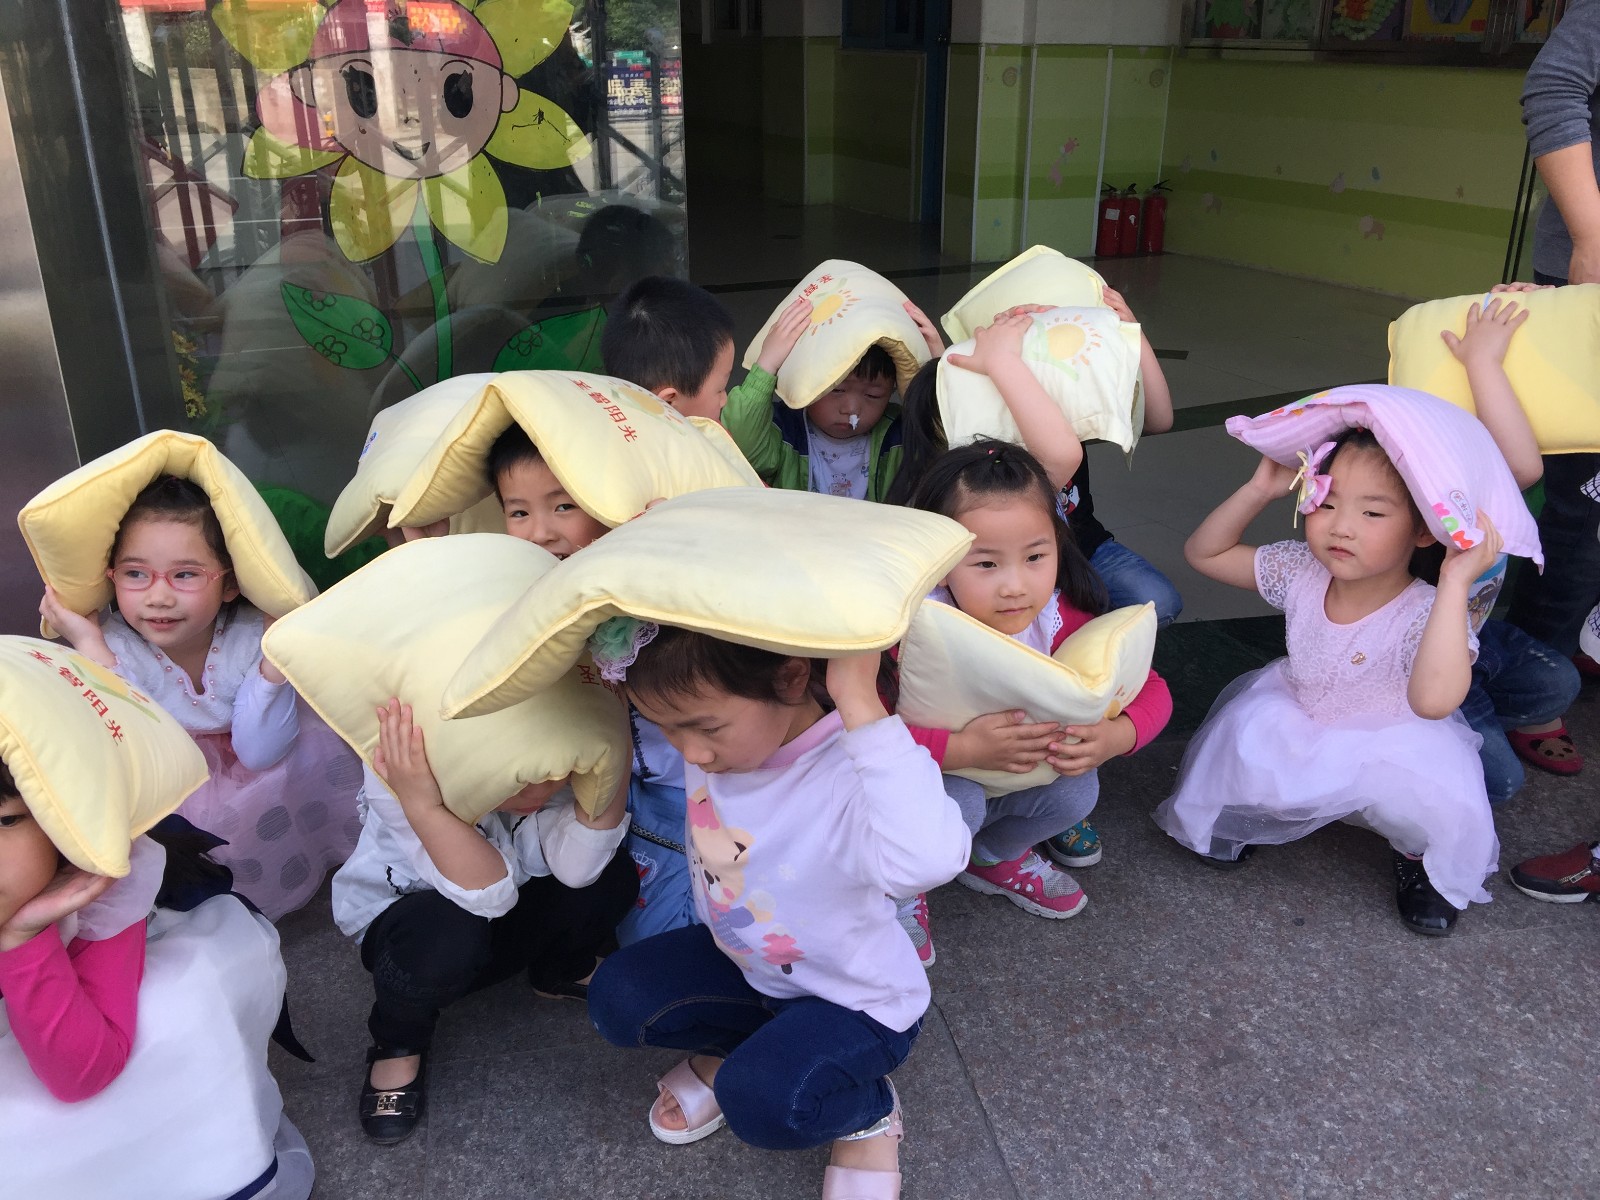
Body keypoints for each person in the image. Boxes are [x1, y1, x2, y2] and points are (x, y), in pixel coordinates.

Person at [586, 629, 971, 1200]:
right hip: (750, 966)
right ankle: (744, 1047)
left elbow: (932, 859)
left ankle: (867, 1111)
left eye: (705, 728)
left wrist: (859, 698)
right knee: (619, 998)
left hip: (857, 1002)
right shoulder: (723, 731)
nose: (690, 753)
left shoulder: (853, 768)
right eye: (667, 727)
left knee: (766, 1104)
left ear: (792, 676)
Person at [1154, 429, 1502, 937]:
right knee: (1246, 742)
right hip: (1298, 712)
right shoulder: (1302, 569)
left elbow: (1433, 702)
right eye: (1327, 502)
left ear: (1424, 530)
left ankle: (1417, 856)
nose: (1341, 527)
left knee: (1411, 806)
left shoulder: (1427, 610)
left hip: (1389, 742)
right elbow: (1205, 554)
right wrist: (1259, 490)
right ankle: (1256, 814)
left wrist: (1455, 582)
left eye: (1373, 513)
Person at [39, 475, 360, 920]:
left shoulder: (250, 633)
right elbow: (131, 738)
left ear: (229, 584)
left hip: (262, 738)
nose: (158, 596)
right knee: (184, 819)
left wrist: (273, 662)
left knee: (304, 756)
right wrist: (87, 642)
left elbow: (259, 751)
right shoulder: (113, 646)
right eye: (135, 574)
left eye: (186, 574)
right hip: (168, 762)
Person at [896, 441, 1170, 956]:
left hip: (1023, 776)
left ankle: (992, 857)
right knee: (960, 803)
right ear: (940, 561)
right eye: (986, 563)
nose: (1015, 586)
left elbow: (1152, 688)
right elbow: (859, 730)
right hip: (929, 781)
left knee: (1077, 792)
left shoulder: (1059, 619)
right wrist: (963, 750)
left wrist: (1116, 736)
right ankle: (899, 892)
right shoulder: (913, 627)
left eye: (1035, 557)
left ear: (1059, 547)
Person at [0, 762, 314, 1200]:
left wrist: (23, 939)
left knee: (172, 1009)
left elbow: (84, 1071)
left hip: (76, 1031)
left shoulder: (99, 885)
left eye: (5, 820)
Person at [333, 699, 636, 1145]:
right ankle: (399, 1038)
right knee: (448, 933)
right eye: (516, 775)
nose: (540, 786)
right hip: (418, 930)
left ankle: (559, 968)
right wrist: (424, 805)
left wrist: (614, 744)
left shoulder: (555, 757)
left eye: (550, 768)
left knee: (613, 874)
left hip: (505, 912)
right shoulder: (396, 765)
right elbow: (487, 890)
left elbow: (579, 868)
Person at [886, 287, 1183, 627]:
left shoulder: (1060, 414)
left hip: (1081, 548)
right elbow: (1053, 451)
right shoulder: (990, 473)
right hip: (1003, 569)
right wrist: (996, 360)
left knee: (1157, 600)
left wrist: (1129, 335)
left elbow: (1159, 420)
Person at [1437, 296, 1584, 800]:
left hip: (1472, 647)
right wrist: (1481, 361)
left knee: (1559, 682)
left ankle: (1460, 715)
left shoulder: (1482, 497)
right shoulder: (1435, 510)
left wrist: (1493, 342)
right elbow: (1522, 466)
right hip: (1422, 665)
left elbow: (1519, 465)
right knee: (1498, 783)